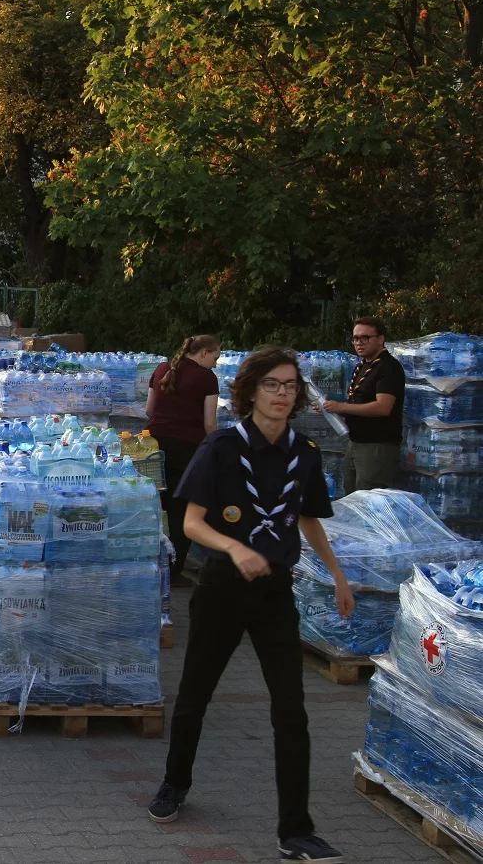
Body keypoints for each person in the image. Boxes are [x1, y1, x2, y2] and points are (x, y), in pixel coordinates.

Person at [147, 347, 354, 864]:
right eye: (272, 385)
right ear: (250, 392)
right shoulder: (220, 447)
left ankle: (296, 830)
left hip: (274, 592)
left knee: (292, 710)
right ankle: (174, 782)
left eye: (290, 386)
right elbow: (192, 523)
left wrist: (337, 574)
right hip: (221, 587)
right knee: (196, 693)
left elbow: (308, 519)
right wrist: (236, 547)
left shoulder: (304, 453)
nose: (283, 394)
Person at [145, 334, 221, 584]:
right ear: (204, 352)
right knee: (182, 509)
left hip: (153, 446)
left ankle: (151, 562)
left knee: (158, 505)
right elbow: (210, 422)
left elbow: (148, 410)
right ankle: (174, 571)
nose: (216, 363)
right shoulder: (206, 378)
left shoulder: (161, 369)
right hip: (188, 449)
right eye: (215, 357)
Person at [322, 316, 405, 493]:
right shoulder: (363, 366)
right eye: (356, 338)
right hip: (355, 443)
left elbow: (383, 407)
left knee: (369, 500)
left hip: (376, 446)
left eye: (365, 338)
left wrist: (342, 407)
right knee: (352, 498)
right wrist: (330, 406)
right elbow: (357, 403)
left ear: (381, 339)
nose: (359, 343)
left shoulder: (388, 367)